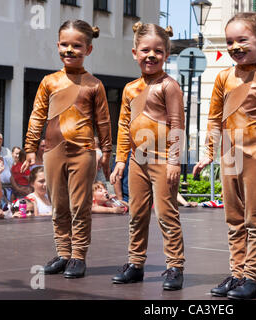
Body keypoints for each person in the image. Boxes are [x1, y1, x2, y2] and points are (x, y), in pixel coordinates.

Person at [192, 12, 256, 300]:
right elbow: (214, 119)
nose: (235, 46)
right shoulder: (223, 77)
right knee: (233, 218)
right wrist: (209, 153)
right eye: (229, 41)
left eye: (242, 40)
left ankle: (252, 277)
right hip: (229, 155)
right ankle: (237, 273)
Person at [22, 20, 112, 279]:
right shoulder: (49, 81)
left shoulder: (94, 84)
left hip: (83, 151)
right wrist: (30, 148)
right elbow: (37, 115)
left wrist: (106, 152)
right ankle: (63, 253)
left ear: (89, 49)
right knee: (58, 204)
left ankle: (78, 256)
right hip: (52, 151)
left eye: (77, 46)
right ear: (57, 45)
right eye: (64, 44)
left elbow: (103, 121)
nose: (69, 50)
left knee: (80, 205)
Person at [110, 22, 185, 291]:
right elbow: (123, 125)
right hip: (137, 159)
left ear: (166, 54)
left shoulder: (170, 86)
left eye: (158, 51)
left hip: (164, 158)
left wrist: (175, 160)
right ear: (134, 52)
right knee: (137, 213)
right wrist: (121, 159)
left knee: (166, 214)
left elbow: (177, 123)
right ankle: (135, 263)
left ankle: (175, 266)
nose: (150, 56)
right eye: (145, 50)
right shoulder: (130, 89)